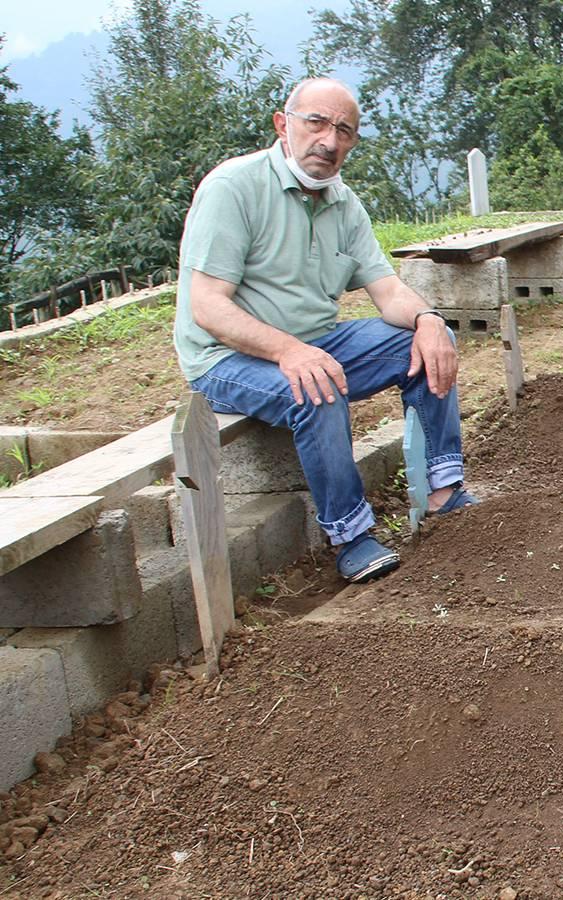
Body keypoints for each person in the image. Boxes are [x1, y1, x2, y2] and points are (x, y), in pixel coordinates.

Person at [173, 77, 475, 583]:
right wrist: (289, 351)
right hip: (225, 359)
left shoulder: (342, 203)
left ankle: (443, 490)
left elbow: (388, 291)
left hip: (315, 343)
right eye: (316, 122)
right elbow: (208, 308)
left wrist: (428, 320)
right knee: (316, 387)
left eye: (344, 131)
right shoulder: (234, 188)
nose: (329, 141)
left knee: (424, 344)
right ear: (282, 125)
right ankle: (351, 535)